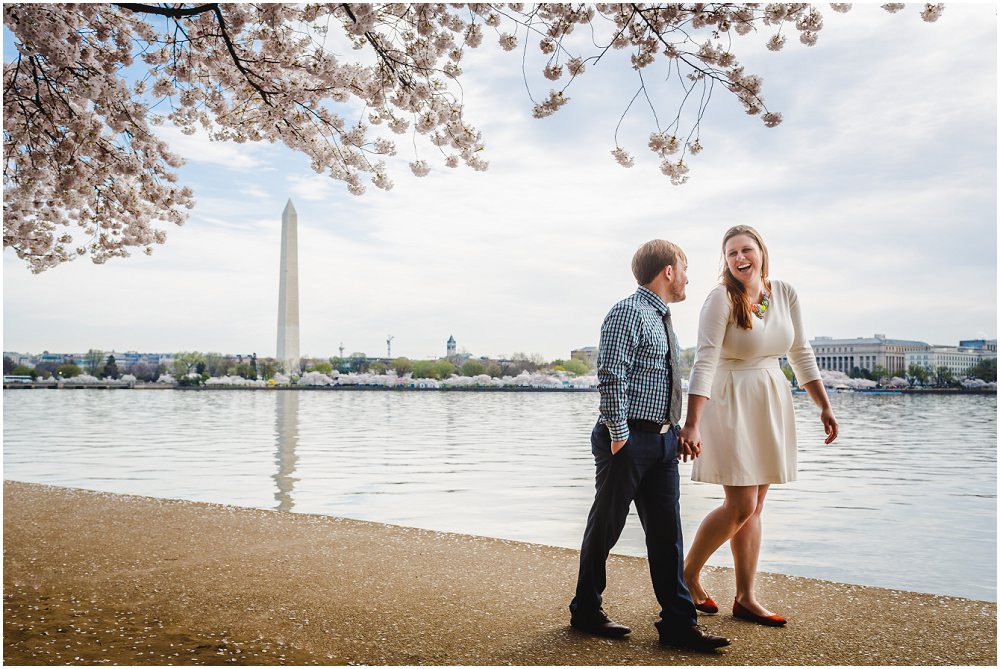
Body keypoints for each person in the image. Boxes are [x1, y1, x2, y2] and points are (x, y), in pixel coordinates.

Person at [569, 239, 730, 652]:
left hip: (660, 442)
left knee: (667, 534)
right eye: (685, 268)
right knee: (606, 527)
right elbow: (611, 375)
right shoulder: (628, 312)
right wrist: (620, 435)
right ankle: (586, 610)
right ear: (668, 271)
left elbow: (657, 382)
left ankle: (678, 624)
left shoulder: (661, 318)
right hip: (626, 440)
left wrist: (673, 429)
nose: (688, 277)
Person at [680, 225, 838, 627]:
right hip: (730, 399)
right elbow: (705, 359)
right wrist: (692, 423)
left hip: (770, 396)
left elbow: (801, 351)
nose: (739, 258)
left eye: (746, 250)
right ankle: (686, 576)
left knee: (757, 507)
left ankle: (746, 597)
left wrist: (823, 405)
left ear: (762, 252)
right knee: (741, 504)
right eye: (731, 253)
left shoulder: (783, 293)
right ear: (726, 260)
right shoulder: (720, 298)